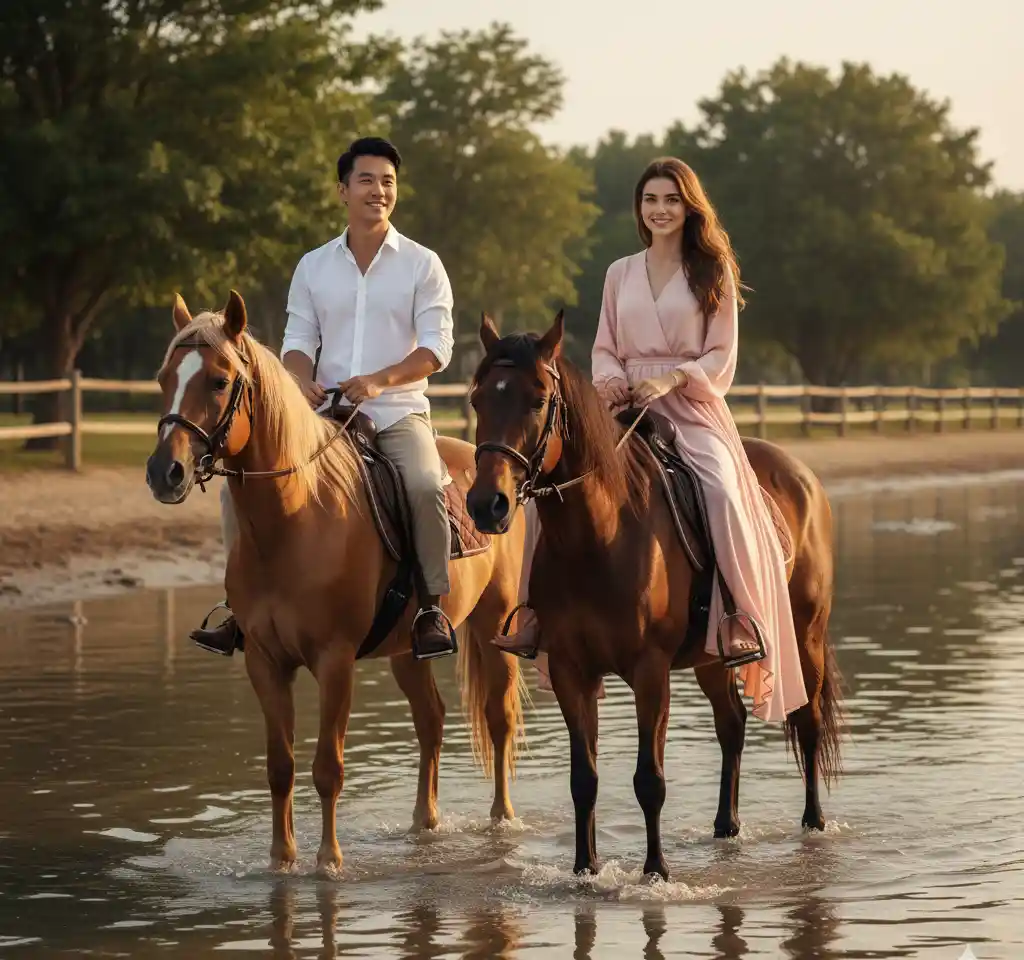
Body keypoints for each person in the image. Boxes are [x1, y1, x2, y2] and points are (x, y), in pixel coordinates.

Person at [494, 156, 807, 722]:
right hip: (623, 403)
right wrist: (613, 383)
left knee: (722, 491)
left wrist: (673, 377)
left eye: (670, 200)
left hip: (692, 405)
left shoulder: (713, 271)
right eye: (650, 201)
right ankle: (535, 616)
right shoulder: (620, 272)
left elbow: (721, 355)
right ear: (640, 209)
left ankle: (737, 619)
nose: (659, 210)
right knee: (553, 489)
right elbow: (605, 344)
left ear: (689, 207)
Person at [191, 136, 459, 662]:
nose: (378, 190)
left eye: (388, 182)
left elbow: (436, 348)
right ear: (342, 191)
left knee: (426, 484)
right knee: (234, 490)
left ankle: (431, 607)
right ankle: (237, 606)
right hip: (322, 417)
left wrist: (380, 380)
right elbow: (297, 341)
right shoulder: (313, 266)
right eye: (367, 180)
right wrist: (299, 380)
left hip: (396, 412)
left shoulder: (423, 265)